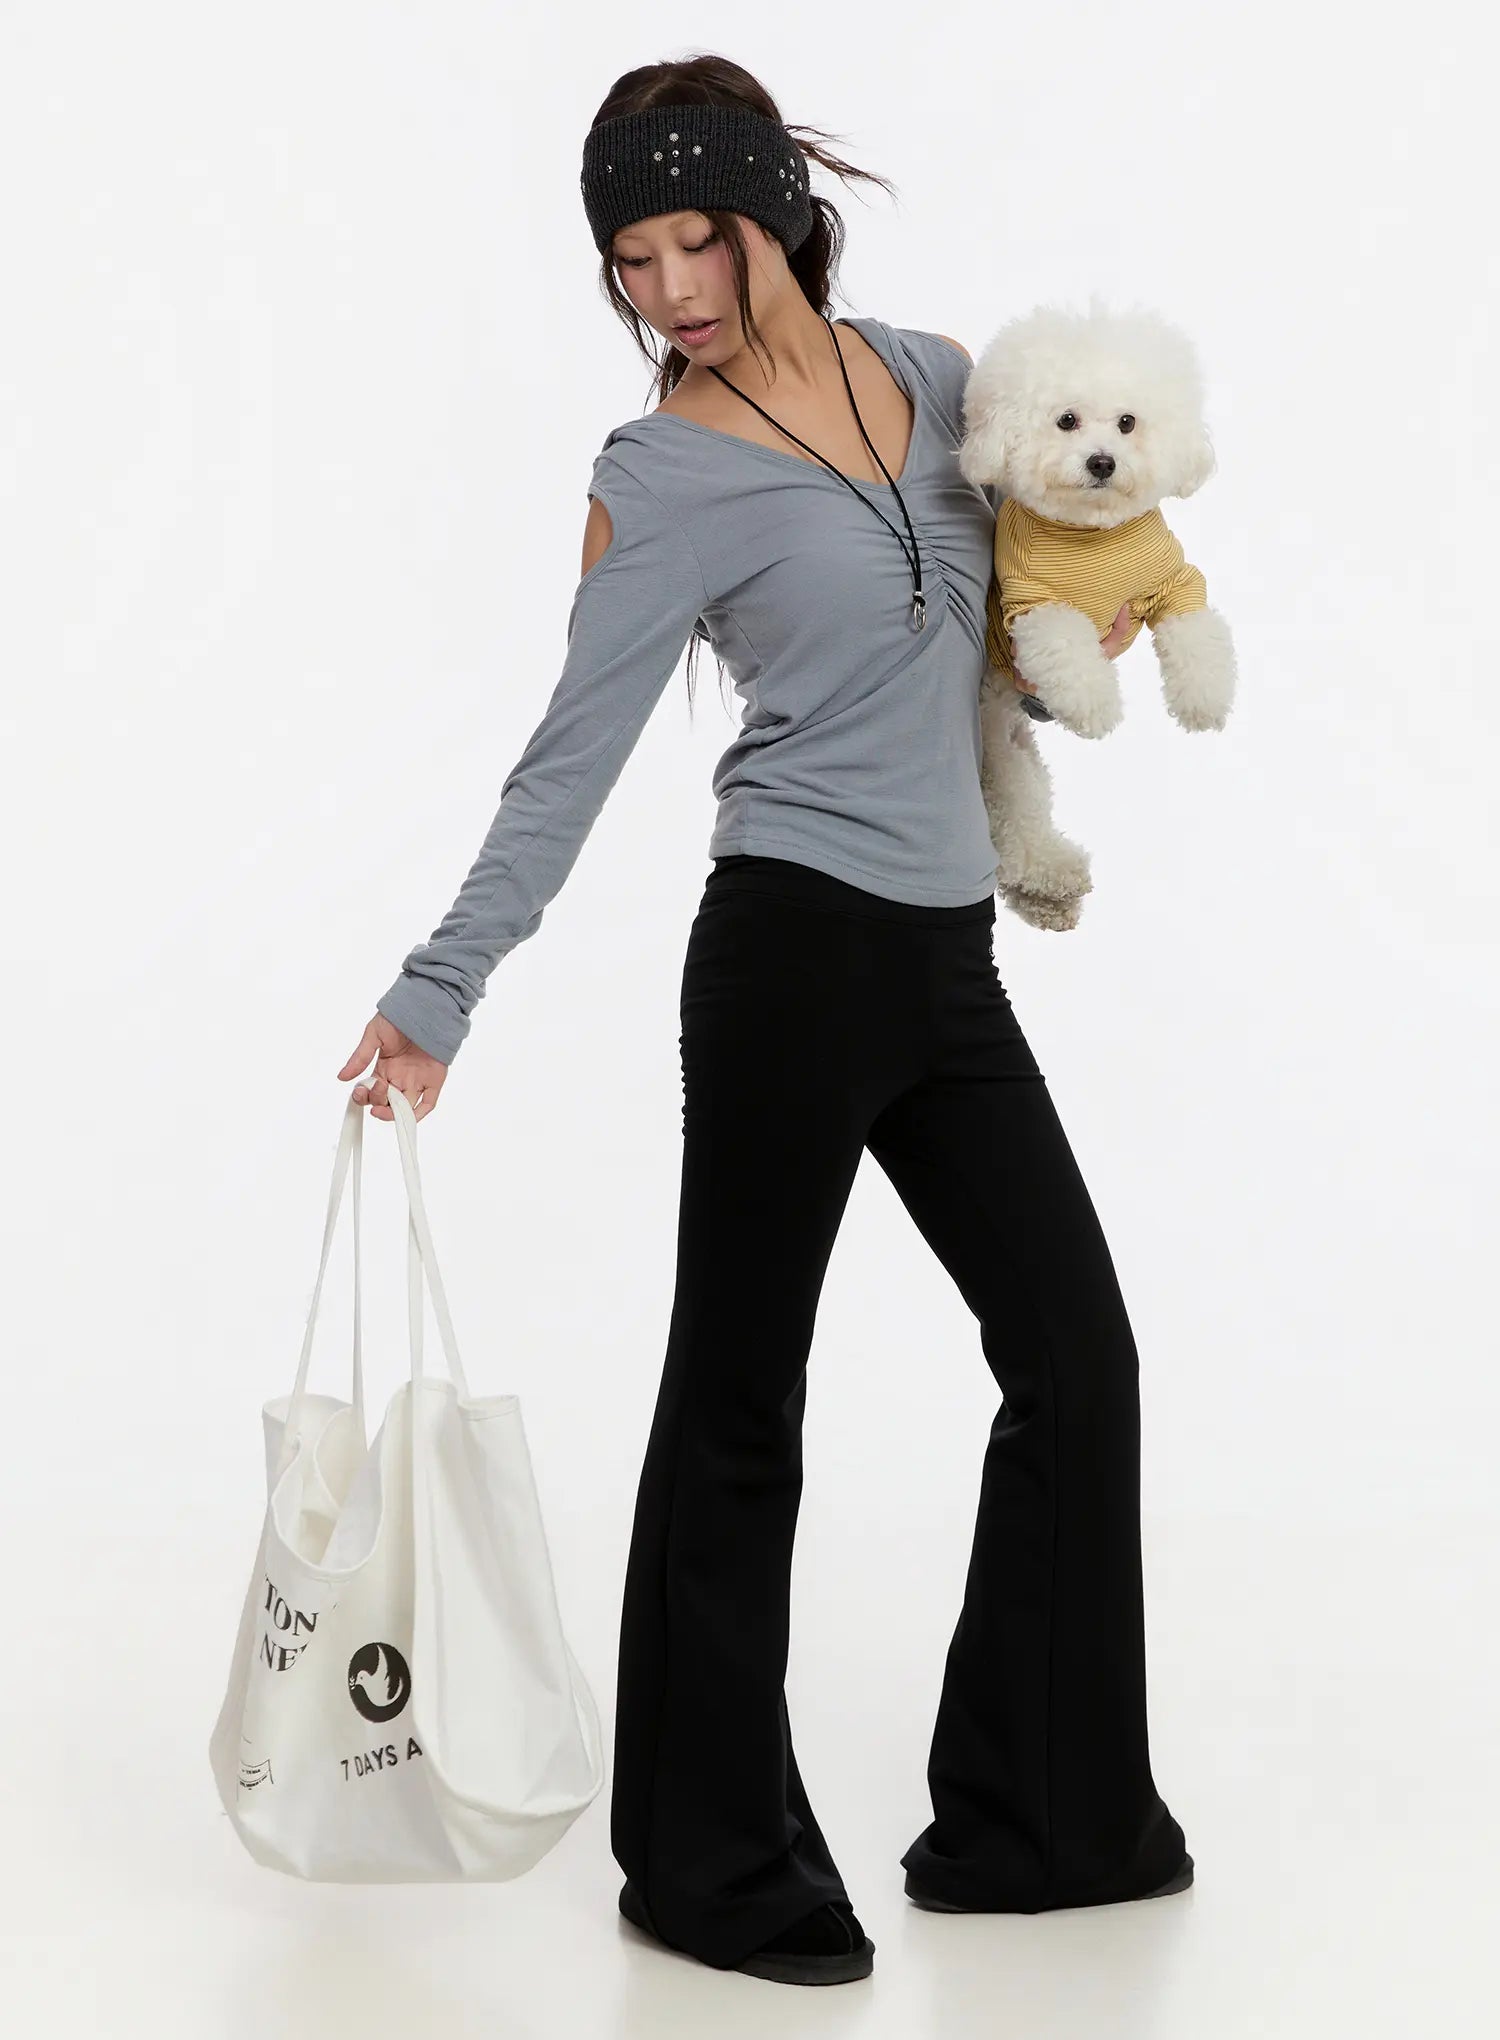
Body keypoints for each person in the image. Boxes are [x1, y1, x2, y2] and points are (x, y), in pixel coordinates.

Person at [337, 56, 1192, 1989]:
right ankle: (706, 1863)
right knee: (741, 1403)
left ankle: (1039, 1817)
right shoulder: (660, 477)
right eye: (630, 261)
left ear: (769, 213)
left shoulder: (943, 377)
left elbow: (991, 641)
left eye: (691, 242)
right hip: (791, 957)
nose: (667, 289)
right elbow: (568, 757)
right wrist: (441, 982)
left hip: (948, 961)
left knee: (1080, 1362)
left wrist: (1084, 642)